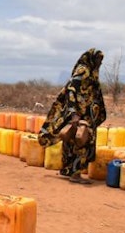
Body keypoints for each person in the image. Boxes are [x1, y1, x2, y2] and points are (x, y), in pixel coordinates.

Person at [38, 48, 107, 184]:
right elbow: (71, 90)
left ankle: (70, 171)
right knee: (82, 141)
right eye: (98, 60)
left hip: (87, 115)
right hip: (79, 114)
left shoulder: (92, 71)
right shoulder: (83, 70)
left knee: (76, 141)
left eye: (101, 61)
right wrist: (73, 113)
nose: (100, 63)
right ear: (91, 58)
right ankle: (75, 174)